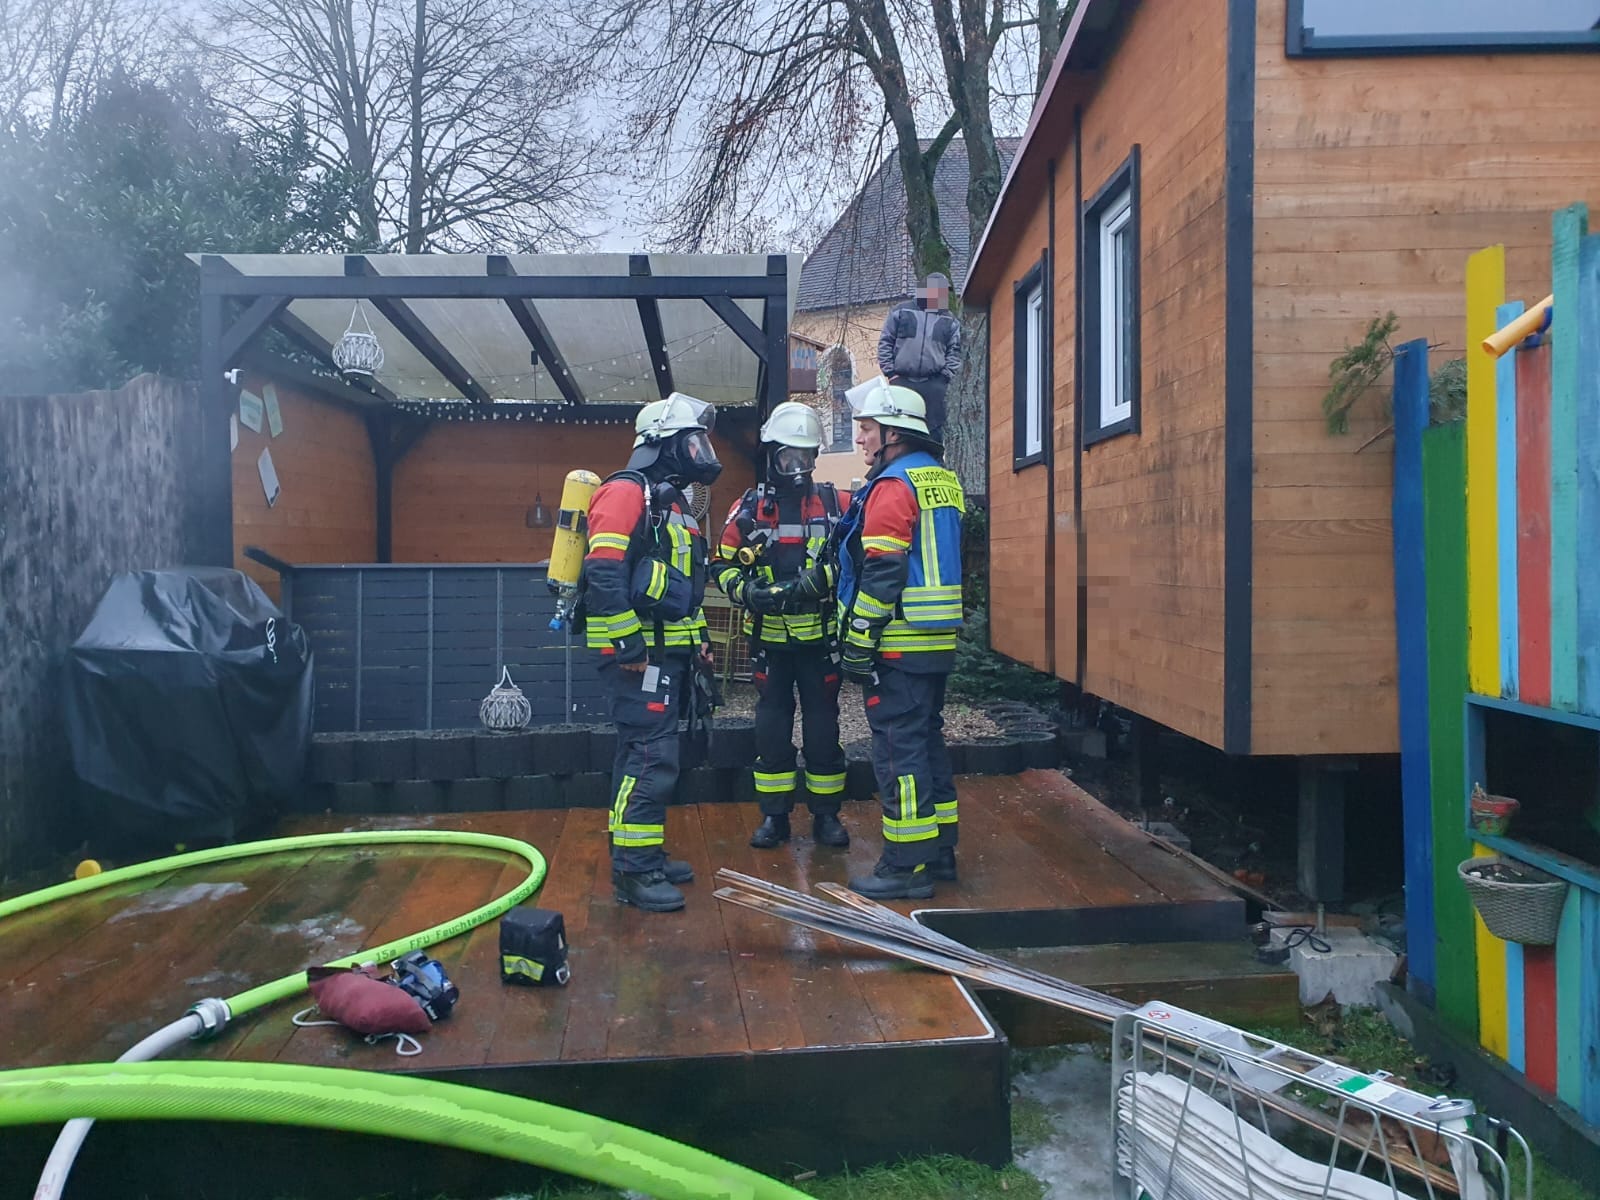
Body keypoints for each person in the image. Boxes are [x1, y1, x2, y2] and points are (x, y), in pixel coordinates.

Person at [791, 382, 964, 899]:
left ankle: (905, 866)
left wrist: (860, 638)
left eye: (867, 428)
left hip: (899, 642)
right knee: (927, 743)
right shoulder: (941, 480)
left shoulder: (892, 484)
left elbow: (883, 570)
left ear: (894, 433)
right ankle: (939, 851)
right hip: (934, 641)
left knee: (897, 752)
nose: (861, 438)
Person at [581, 392, 723, 913]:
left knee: (648, 755)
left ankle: (643, 854)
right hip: (639, 658)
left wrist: (701, 638)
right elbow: (603, 571)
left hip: (669, 654)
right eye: (693, 441)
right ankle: (634, 872)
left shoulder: (674, 504)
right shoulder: (625, 492)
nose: (701, 451)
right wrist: (628, 644)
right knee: (649, 757)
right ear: (663, 444)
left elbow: (687, 585)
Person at [715, 401, 850, 851]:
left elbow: (860, 557)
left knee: (823, 730)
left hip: (820, 644)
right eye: (788, 455)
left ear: (815, 457)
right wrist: (746, 592)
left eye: (804, 456)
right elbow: (721, 565)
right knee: (771, 731)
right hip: (769, 645)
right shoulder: (750, 508)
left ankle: (826, 816)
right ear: (772, 454)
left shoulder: (836, 504)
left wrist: (824, 578)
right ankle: (774, 817)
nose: (796, 465)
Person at [875, 272, 963, 440]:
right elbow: (886, 342)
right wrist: (891, 373)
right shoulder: (901, 311)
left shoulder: (949, 320)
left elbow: (955, 351)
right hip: (902, 381)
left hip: (933, 385)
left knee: (934, 432)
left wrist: (944, 378)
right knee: (900, 430)